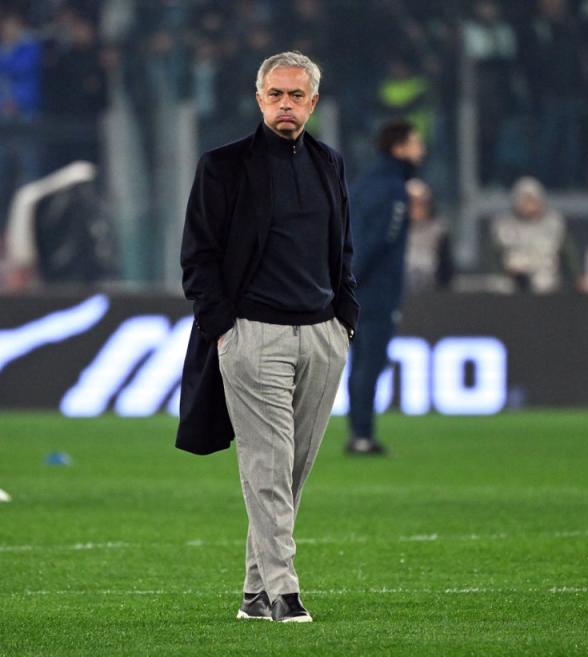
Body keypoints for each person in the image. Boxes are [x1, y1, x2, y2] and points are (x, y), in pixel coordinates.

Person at [177, 51, 358, 623]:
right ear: (259, 100)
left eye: (296, 95)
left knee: (291, 471)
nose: (286, 104)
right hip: (253, 335)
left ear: (313, 102)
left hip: (322, 335)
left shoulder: (329, 163)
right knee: (267, 466)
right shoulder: (222, 166)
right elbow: (198, 256)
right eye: (276, 94)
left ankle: (255, 595)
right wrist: (224, 330)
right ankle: (284, 592)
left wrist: (344, 320)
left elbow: (342, 249)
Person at [346, 119, 425, 455]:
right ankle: (362, 435)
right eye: (416, 143)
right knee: (370, 363)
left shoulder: (364, 183)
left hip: (354, 289)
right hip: (375, 291)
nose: (421, 149)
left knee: (359, 363)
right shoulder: (393, 188)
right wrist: (354, 280)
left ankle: (358, 432)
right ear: (399, 148)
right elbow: (379, 242)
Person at [489, 176, 584, 293]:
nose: (529, 204)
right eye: (525, 200)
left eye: (532, 200)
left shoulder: (554, 224)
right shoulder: (504, 225)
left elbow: (569, 253)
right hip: (512, 282)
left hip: (546, 281)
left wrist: (578, 277)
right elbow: (493, 256)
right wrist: (506, 271)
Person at [404, 178, 454, 295]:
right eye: (412, 203)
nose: (416, 207)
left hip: (432, 296)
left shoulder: (439, 232)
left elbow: (447, 272)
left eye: (421, 203)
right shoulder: (395, 232)